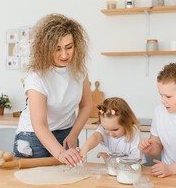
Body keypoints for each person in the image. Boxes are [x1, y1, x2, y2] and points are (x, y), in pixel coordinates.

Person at [13, 14, 93, 169]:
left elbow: (87, 105)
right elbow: (40, 124)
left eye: (68, 47)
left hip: (66, 134)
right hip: (34, 138)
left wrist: (73, 134)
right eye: (57, 49)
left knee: (67, 187)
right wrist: (60, 153)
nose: (64, 55)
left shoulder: (79, 71)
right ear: (45, 49)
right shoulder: (36, 77)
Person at [80, 97, 144, 162]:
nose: (110, 134)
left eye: (115, 129)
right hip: (118, 167)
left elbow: (136, 161)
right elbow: (96, 137)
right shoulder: (107, 128)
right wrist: (84, 149)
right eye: (105, 128)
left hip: (134, 167)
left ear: (127, 123)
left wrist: (110, 160)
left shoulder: (133, 132)